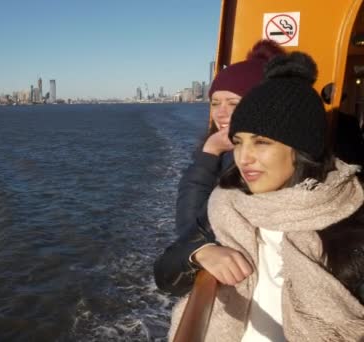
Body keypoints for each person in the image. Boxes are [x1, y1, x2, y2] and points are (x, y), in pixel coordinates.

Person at [168, 52, 364, 341]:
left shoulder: (348, 224)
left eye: (261, 142)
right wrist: (199, 252)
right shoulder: (231, 203)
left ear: (302, 148)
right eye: (238, 142)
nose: (244, 158)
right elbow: (170, 263)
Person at [155, 40, 285, 295]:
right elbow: (191, 233)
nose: (221, 113)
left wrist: (208, 155)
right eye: (215, 103)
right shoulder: (224, 151)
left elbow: (189, 229)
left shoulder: (260, 167)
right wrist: (210, 153)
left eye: (233, 103)